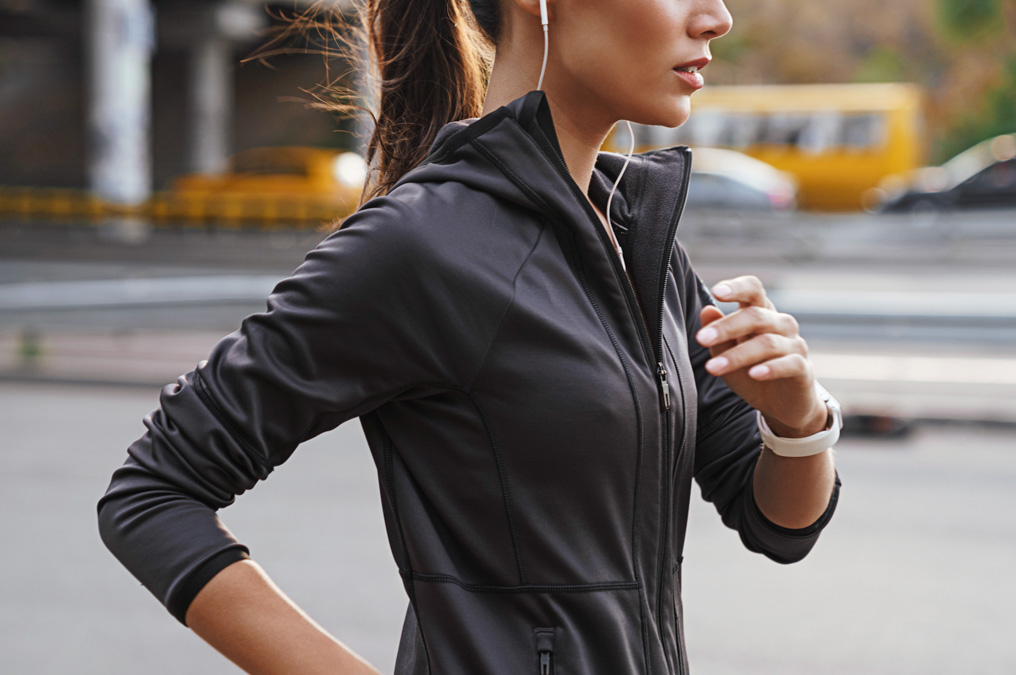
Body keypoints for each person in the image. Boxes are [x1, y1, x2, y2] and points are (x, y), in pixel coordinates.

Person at [97, 0, 843, 673]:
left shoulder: (640, 246)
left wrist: (796, 418)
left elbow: (780, 522)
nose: (716, 17)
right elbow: (153, 493)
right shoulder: (426, 244)